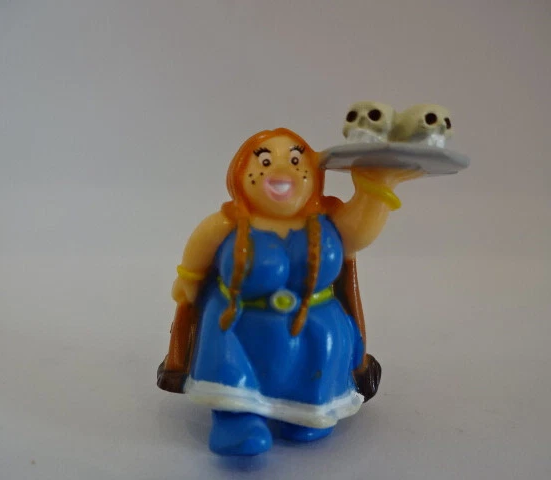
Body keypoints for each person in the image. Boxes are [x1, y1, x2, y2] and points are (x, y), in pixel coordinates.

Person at [157, 128, 421, 455]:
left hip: (315, 327)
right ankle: (236, 420)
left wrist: (376, 185)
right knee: (234, 372)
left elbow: (361, 232)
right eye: (265, 161)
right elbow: (197, 254)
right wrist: (188, 279)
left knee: (313, 371)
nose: (282, 171)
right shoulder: (227, 223)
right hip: (238, 325)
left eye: (296, 161)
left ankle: (306, 413)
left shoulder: (328, 221)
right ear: (239, 172)